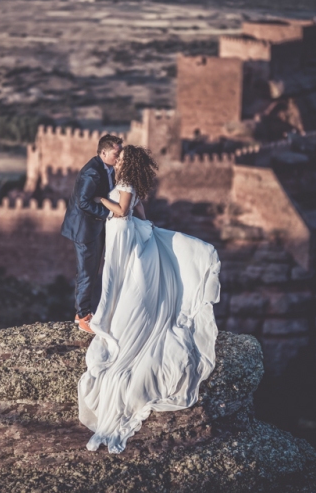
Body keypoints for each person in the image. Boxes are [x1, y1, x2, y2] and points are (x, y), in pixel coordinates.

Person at [77, 144, 221, 454]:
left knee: (122, 284)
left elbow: (123, 211)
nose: (118, 160)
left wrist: (99, 199)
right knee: (117, 284)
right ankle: (112, 319)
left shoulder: (125, 185)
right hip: (123, 238)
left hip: (124, 239)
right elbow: (142, 214)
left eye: (123, 157)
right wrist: (150, 229)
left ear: (129, 165)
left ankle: (121, 329)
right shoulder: (127, 184)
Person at [61, 134, 123, 331]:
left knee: (91, 271)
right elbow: (84, 202)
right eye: (116, 152)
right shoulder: (92, 172)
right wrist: (108, 214)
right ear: (103, 152)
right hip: (85, 230)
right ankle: (82, 317)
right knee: (87, 272)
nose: (119, 155)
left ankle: (83, 312)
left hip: (95, 228)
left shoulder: (107, 168)